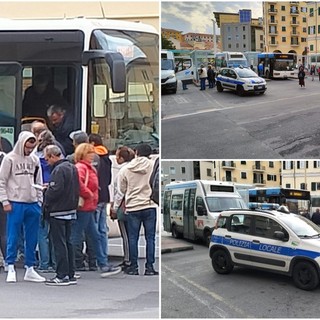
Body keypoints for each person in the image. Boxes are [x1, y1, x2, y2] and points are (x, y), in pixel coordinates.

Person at [0, 131, 45, 283]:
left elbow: (38, 180)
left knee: (32, 237)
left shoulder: (34, 160)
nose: (30, 150)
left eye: (32, 147)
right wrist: (5, 201)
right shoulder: (9, 159)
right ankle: (10, 265)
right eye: (27, 147)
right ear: (22, 144)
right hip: (15, 202)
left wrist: (39, 200)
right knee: (12, 235)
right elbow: (2, 181)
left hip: (32, 202)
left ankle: (30, 268)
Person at [71, 143, 121, 277]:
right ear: (83, 154)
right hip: (85, 207)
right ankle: (98, 264)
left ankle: (101, 264)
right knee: (83, 236)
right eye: (90, 152)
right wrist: (89, 194)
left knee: (92, 236)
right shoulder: (82, 168)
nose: (93, 155)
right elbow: (79, 184)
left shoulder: (87, 167)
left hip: (89, 206)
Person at [116, 143, 158, 276]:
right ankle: (149, 267)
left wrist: (116, 206)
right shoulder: (153, 166)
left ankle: (133, 267)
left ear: (136, 152)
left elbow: (121, 190)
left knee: (132, 237)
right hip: (149, 204)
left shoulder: (126, 169)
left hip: (133, 206)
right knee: (150, 238)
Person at [43, 145, 79, 285]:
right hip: (70, 210)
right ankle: (70, 273)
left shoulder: (58, 170)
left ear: (53, 156)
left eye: (47, 159)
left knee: (59, 244)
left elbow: (55, 190)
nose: (47, 162)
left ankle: (61, 275)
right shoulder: (72, 167)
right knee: (68, 242)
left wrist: (47, 192)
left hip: (58, 210)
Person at [87, 133, 111, 271]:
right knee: (102, 229)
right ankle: (104, 256)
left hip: (94, 196)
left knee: (93, 229)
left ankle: (95, 258)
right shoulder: (107, 157)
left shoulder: (92, 158)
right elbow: (108, 179)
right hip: (104, 196)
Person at [110, 146, 135, 270]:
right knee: (133, 234)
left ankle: (128, 259)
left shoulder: (121, 171)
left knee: (126, 234)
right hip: (136, 205)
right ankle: (132, 259)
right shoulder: (135, 168)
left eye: (117, 156)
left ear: (121, 158)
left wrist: (114, 208)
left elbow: (119, 192)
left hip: (124, 206)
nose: (116, 158)